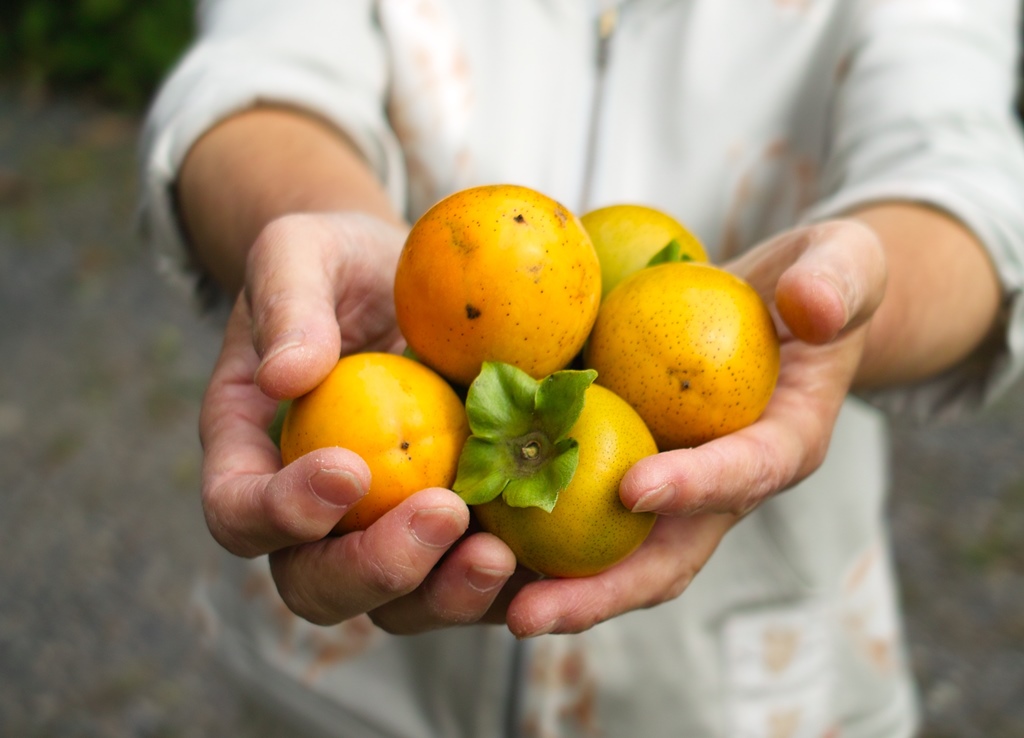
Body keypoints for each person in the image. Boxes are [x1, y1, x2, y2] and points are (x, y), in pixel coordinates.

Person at [139, 1, 1024, 736]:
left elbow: (963, 181)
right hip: (345, 690)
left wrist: (837, 309)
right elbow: (259, 74)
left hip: (747, 689)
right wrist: (315, 236)